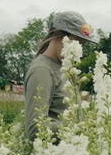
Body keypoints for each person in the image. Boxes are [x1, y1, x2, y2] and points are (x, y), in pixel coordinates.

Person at [24, 11, 97, 141]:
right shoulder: (42, 70)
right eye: (76, 43)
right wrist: (77, 129)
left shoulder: (64, 69)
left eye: (82, 45)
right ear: (58, 35)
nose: (79, 50)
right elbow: (35, 128)